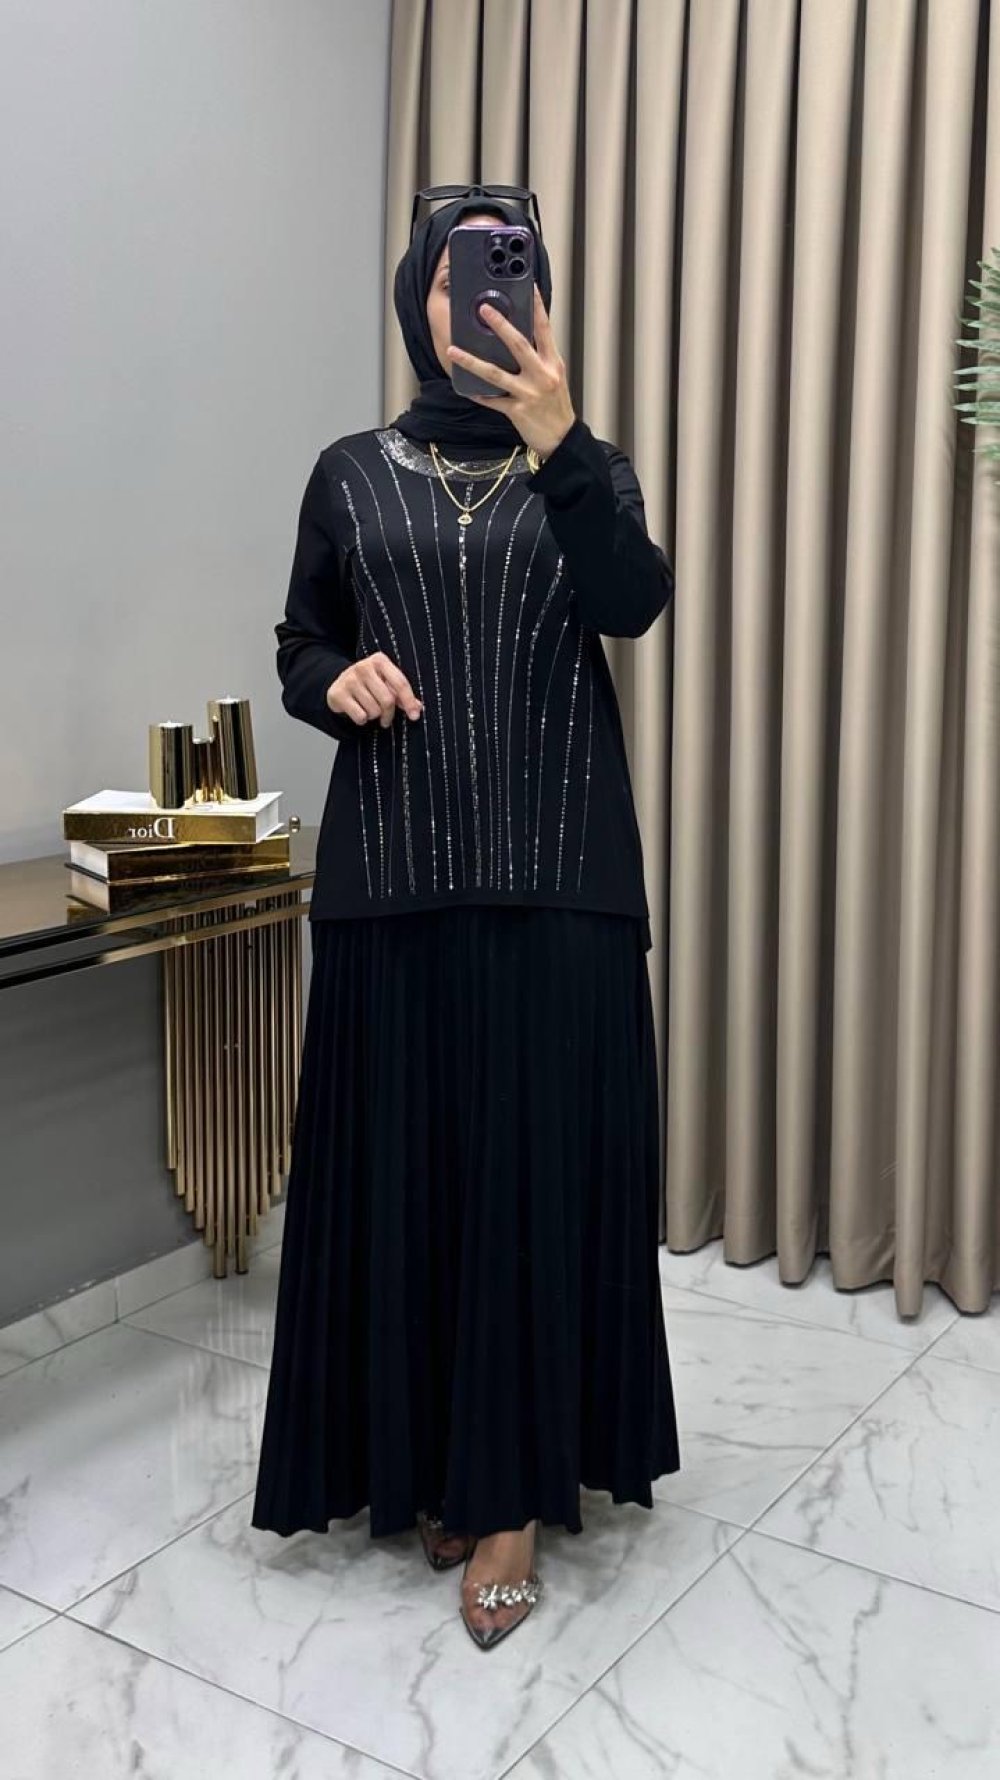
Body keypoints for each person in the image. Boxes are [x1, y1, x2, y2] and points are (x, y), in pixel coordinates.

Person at [251, 184, 681, 1652]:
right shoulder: (349, 472)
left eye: (510, 273)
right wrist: (335, 682)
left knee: (531, 1187)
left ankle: (511, 1500)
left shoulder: (590, 467)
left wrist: (565, 447)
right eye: (457, 274)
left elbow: (631, 604)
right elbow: (301, 641)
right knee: (414, 1179)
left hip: (562, 883)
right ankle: (431, 1456)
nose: (483, 297)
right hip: (393, 878)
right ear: (417, 298)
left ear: (538, 300)